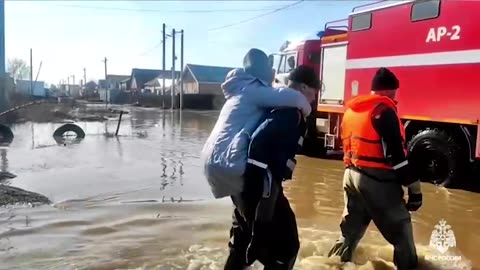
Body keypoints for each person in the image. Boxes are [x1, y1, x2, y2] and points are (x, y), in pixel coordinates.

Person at [224, 65, 320, 270]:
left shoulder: (274, 104)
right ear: (304, 88)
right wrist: (261, 210)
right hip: (257, 187)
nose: (313, 99)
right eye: (313, 93)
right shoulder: (291, 112)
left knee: (241, 244)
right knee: (287, 249)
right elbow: (259, 146)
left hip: (239, 181)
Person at [327, 67, 422, 270]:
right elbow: (395, 157)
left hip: (350, 175)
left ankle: (333, 264)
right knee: (401, 230)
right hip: (375, 180)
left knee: (349, 233)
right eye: (394, 92)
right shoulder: (383, 111)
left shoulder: (352, 111)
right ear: (388, 91)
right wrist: (415, 189)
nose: (395, 97)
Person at [201, 48, 311, 200]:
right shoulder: (252, 90)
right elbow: (297, 99)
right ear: (263, 70)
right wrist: (307, 112)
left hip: (216, 161)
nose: (273, 71)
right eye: (269, 67)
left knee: (242, 216)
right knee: (271, 217)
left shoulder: (240, 89)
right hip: (229, 163)